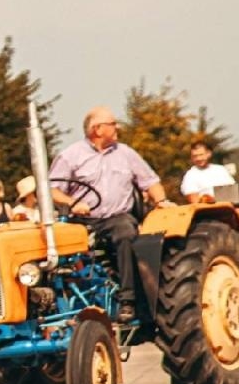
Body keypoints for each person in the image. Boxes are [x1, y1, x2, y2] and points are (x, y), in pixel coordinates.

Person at [48, 106, 174, 322]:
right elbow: (52, 189)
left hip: (116, 217)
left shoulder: (125, 153)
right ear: (97, 129)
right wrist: (72, 203)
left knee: (125, 233)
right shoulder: (71, 155)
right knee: (52, 244)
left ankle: (128, 300)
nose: (117, 128)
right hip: (82, 219)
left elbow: (150, 181)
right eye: (113, 124)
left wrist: (161, 201)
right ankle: (59, 302)